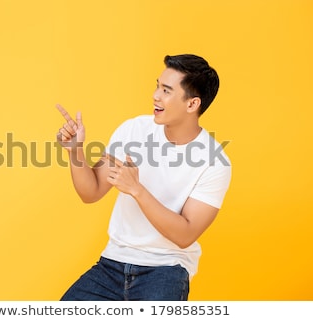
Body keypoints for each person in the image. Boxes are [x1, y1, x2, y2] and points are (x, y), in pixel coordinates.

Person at [55, 54, 231, 301]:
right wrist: (75, 151)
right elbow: (91, 192)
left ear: (192, 104)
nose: (155, 95)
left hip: (166, 269)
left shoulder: (214, 161)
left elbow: (185, 235)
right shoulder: (134, 129)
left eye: (166, 90)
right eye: (158, 85)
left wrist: (137, 190)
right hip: (112, 263)